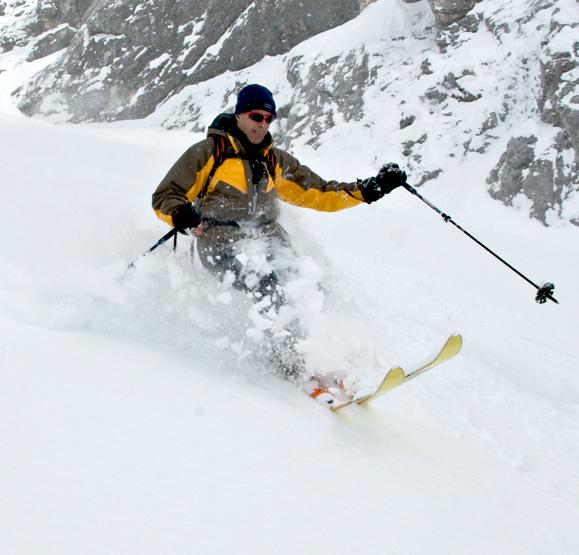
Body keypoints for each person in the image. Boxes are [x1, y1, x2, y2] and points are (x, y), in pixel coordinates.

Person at [152, 84, 407, 390]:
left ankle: (323, 358)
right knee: (268, 286)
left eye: (268, 119)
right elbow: (166, 195)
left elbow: (319, 192)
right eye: (256, 116)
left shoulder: (273, 160)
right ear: (240, 115)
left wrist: (369, 189)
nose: (262, 124)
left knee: (307, 286)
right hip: (220, 240)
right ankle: (292, 366)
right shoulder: (209, 152)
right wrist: (181, 214)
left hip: (268, 237)